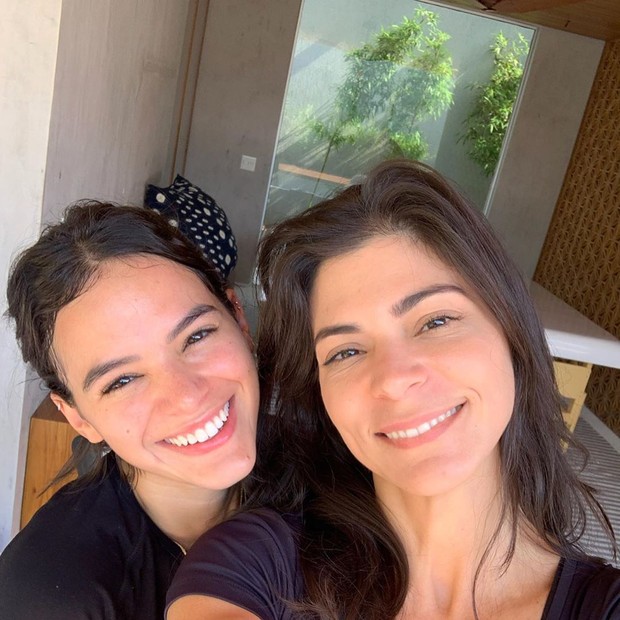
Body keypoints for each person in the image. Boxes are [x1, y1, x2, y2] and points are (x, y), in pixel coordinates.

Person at [166, 160, 620, 619]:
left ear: (509, 330)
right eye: (346, 351)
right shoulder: (254, 565)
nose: (394, 379)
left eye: (435, 321)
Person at [0, 202, 259, 619]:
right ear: (77, 417)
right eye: (121, 381)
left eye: (197, 336)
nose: (186, 396)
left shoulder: (329, 471)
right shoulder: (53, 597)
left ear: (239, 321)